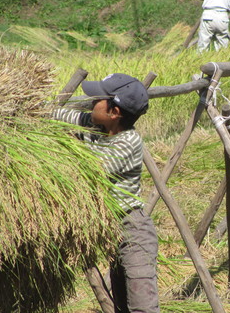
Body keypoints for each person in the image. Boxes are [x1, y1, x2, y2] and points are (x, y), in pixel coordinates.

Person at [52, 73, 159, 313]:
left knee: (141, 305)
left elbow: (92, 168)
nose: (91, 104)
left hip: (132, 229)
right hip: (110, 228)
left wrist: (69, 144)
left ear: (114, 112)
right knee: (121, 300)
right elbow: (56, 115)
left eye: (97, 100)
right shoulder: (93, 122)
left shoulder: (128, 141)